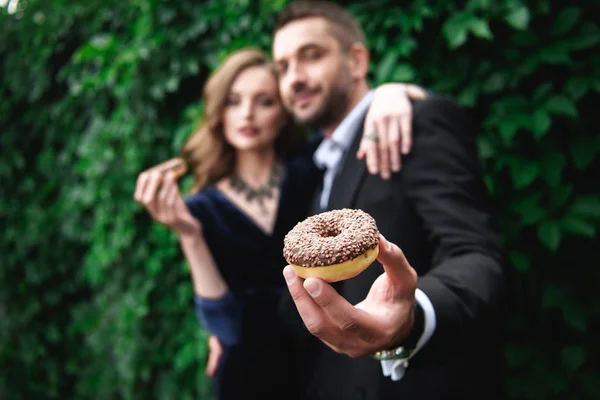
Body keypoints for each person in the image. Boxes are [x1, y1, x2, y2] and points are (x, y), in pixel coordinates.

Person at [133, 48, 426, 399]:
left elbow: (360, 123)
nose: (247, 114)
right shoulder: (201, 208)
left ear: (284, 112)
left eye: (265, 101)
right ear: (218, 111)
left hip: (324, 357)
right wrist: (189, 234)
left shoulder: (311, 170)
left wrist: (389, 92)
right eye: (233, 101)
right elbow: (224, 324)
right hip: (249, 371)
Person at [272, 2, 512, 400]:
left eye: (310, 56)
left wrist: (412, 318)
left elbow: (479, 257)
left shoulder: (413, 122)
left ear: (357, 61)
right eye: (282, 67)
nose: (294, 78)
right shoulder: (312, 167)